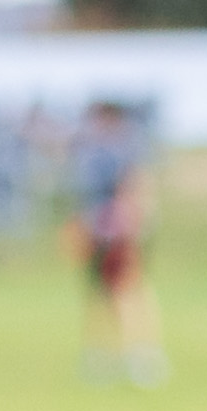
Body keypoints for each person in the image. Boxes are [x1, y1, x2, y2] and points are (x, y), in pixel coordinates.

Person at [69, 98, 164, 385]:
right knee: (99, 293)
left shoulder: (125, 149)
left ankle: (142, 352)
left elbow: (137, 189)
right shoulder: (92, 150)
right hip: (98, 232)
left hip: (119, 233)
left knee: (128, 290)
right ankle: (104, 352)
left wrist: (129, 224)